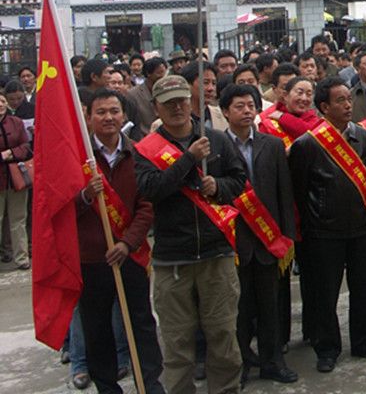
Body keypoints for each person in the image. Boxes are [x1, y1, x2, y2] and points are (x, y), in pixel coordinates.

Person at [133, 75, 248, 394]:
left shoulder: (217, 139)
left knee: (223, 336)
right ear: (156, 107)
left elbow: (238, 181)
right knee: (177, 343)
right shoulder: (146, 150)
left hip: (216, 255)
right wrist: (189, 159)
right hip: (173, 260)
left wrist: (218, 187)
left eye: (182, 100)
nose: (177, 108)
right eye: (168, 103)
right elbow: (152, 190)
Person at [288, 76, 366, 371]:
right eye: (340, 100)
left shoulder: (365, 137)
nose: (347, 105)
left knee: (364, 288)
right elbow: (299, 190)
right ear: (324, 107)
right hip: (323, 231)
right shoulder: (307, 144)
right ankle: (327, 348)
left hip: (361, 228)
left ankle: (365, 342)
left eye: (348, 99)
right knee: (325, 293)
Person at [77, 89, 165, 394]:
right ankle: (107, 386)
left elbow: (147, 206)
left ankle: (149, 383)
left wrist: (127, 242)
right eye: (101, 112)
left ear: (124, 115)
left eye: (114, 111)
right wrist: (85, 196)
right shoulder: (79, 158)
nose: (108, 118)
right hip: (92, 258)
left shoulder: (137, 153)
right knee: (97, 326)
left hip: (131, 255)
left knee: (141, 321)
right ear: (89, 117)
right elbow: (59, 207)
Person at [220, 84, 298, 384]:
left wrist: (287, 235)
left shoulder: (273, 145)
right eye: (238, 106)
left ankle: (272, 362)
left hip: (269, 238)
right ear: (225, 111)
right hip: (235, 240)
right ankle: (239, 364)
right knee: (238, 309)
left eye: (250, 106)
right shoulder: (216, 146)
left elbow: (284, 192)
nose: (246, 111)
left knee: (270, 306)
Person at [0, 93, 31, 270]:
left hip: (16, 177)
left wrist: (10, 153)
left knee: (18, 218)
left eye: (2, 101)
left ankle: (21, 257)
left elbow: (26, 146)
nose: (0, 104)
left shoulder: (16, 122)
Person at [125, 56, 168, 141]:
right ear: (149, 74)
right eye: (159, 73)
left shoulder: (168, 91)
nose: (163, 77)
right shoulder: (133, 95)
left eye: (164, 73)